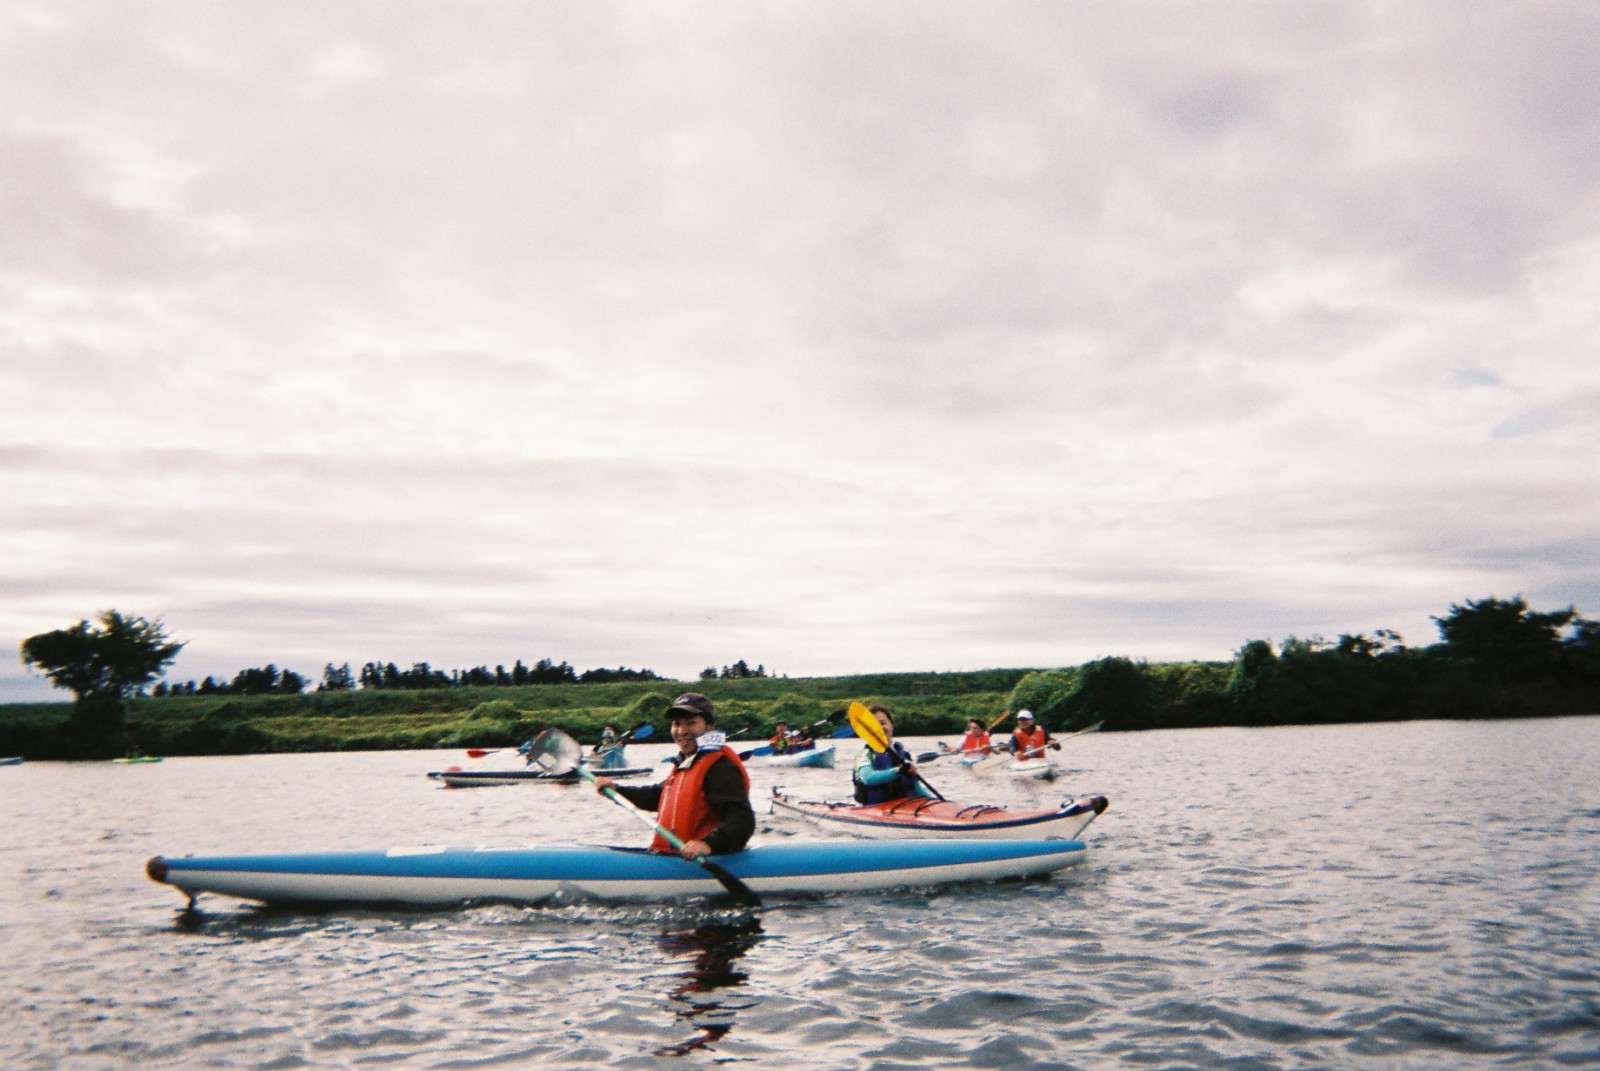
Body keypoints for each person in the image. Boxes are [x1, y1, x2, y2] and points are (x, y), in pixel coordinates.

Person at [597, 693, 754, 860]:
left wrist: (708, 844)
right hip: (676, 856)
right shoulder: (688, 762)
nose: (682, 731)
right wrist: (617, 791)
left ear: (709, 727)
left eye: (691, 723)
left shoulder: (719, 767)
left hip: (706, 858)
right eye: (676, 724)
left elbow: (742, 820)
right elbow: (659, 795)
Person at [852, 704, 935, 804]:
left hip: (907, 808)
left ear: (891, 725)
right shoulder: (865, 755)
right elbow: (868, 778)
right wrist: (898, 771)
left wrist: (937, 803)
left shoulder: (904, 753)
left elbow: (915, 787)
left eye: (883, 723)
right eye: (874, 725)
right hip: (876, 809)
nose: (880, 728)